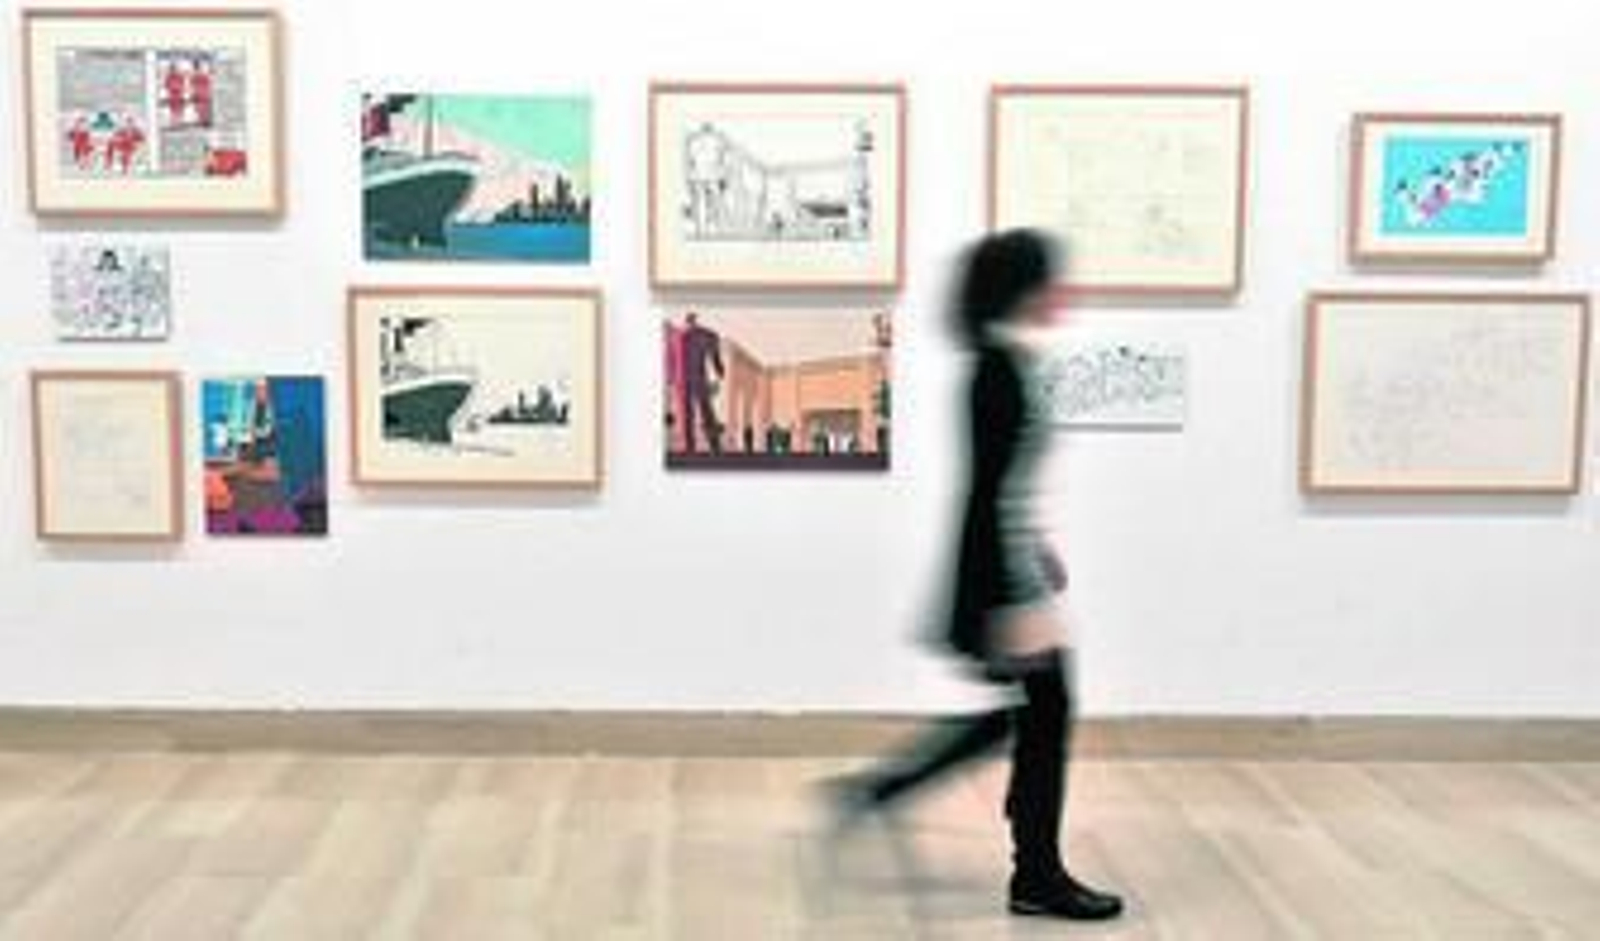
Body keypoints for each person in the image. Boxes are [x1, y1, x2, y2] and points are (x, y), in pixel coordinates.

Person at [828, 230, 1123, 922]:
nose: (1062, 292)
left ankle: (897, 791)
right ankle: (1036, 873)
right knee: (1045, 711)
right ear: (1023, 288)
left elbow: (1003, 484)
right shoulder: (996, 369)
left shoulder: (1004, 360)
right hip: (1004, 577)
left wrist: (1037, 547)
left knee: (1033, 712)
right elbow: (987, 492)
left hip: (1012, 567)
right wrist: (1006, 587)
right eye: (1050, 281)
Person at [679, 312, 725, 454]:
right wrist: (719, 370)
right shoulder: (705, 334)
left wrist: (718, 370)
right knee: (705, 411)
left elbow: (714, 354)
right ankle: (714, 445)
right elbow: (715, 354)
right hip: (697, 377)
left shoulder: (685, 336)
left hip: (688, 378)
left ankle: (692, 446)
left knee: (692, 413)